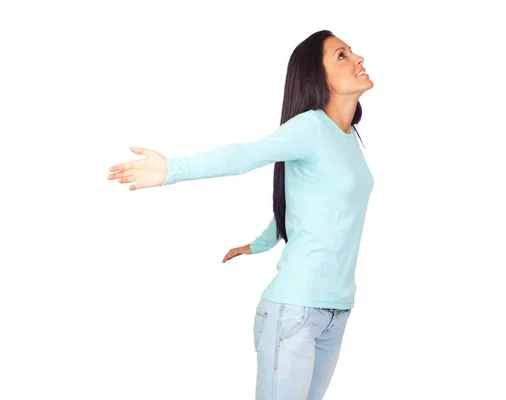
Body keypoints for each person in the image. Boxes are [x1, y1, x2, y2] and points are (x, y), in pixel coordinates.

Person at [107, 29, 374, 400]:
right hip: (295, 310)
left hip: (337, 309)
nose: (359, 58)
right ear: (318, 76)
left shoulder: (348, 138)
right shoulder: (309, 127)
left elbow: (309, 206)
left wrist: (258, 244)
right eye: (342, 55)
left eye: (351, 51)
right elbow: (246, 155)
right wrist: (173, 169)